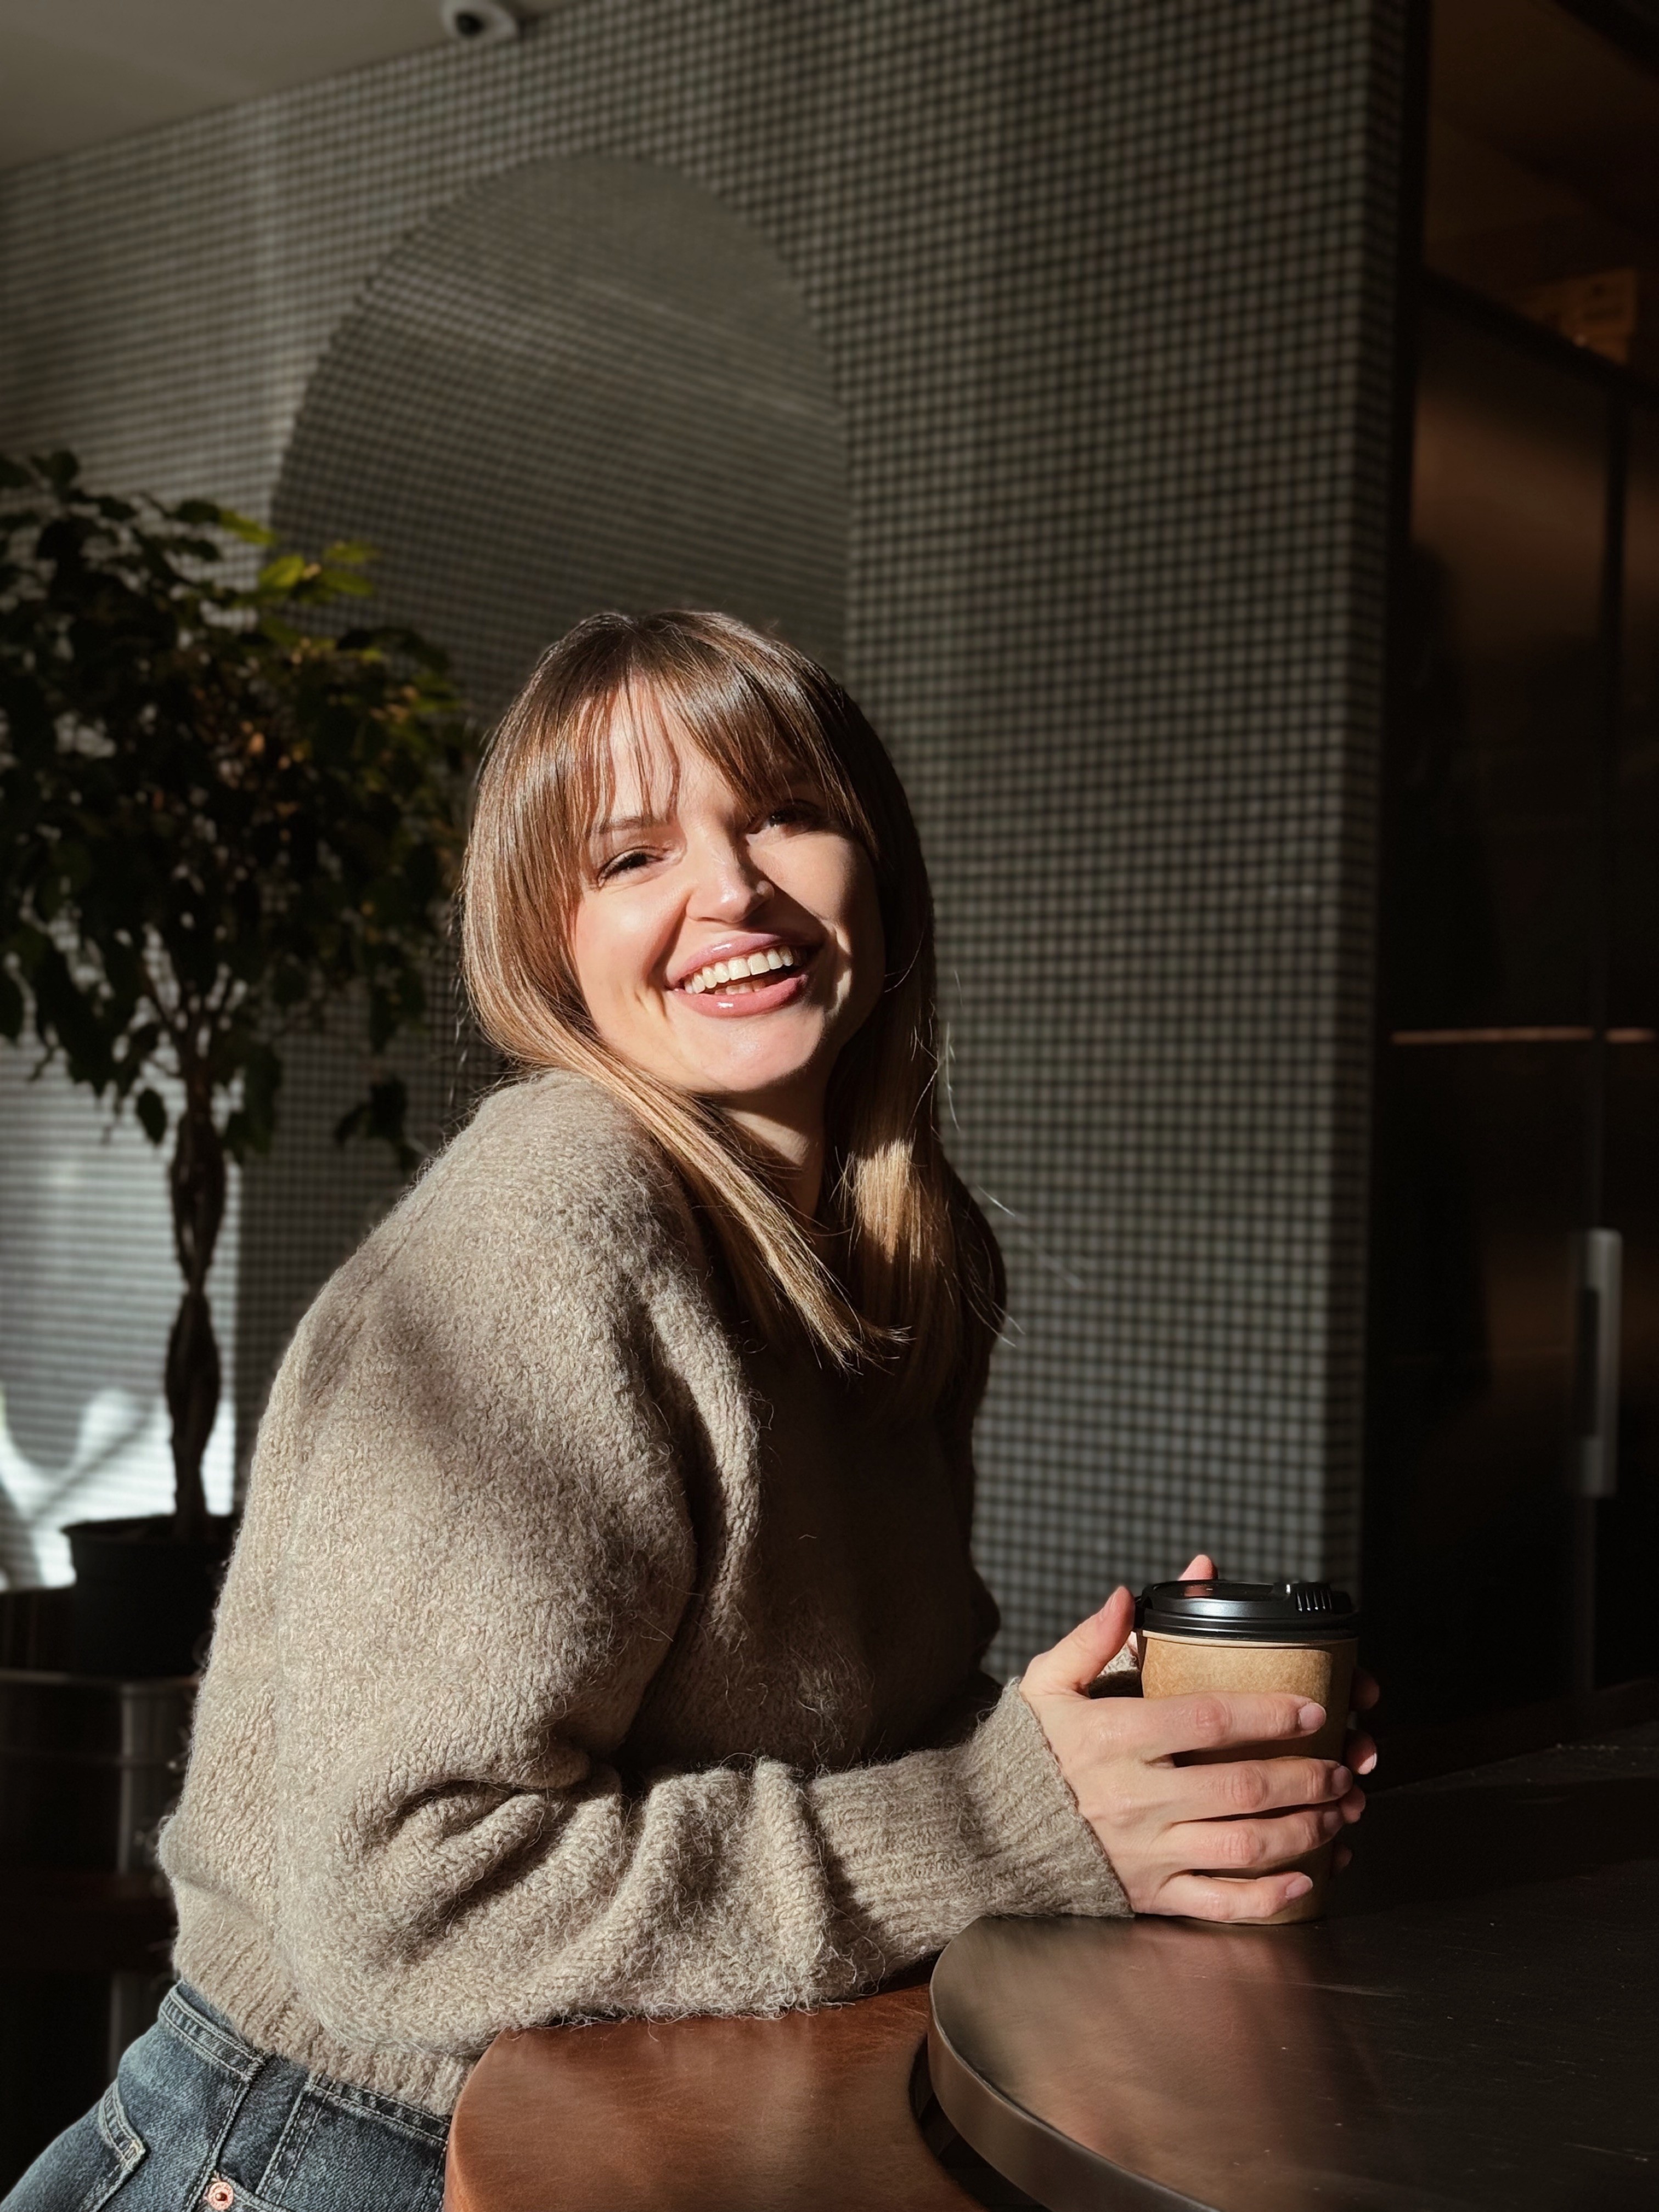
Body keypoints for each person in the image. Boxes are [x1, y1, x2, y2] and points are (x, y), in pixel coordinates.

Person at [8, 611, 1373, 2209]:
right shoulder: (555, 1220)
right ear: (552, 945)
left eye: (785, 814)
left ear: (877, 860)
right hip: (336, 2150)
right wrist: (1013, 1818)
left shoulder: (899, 1248)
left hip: (657, 2126)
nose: (732, 890)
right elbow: (408, 1908)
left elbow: (835, 1737)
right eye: (633, 856)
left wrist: (1135, 1763)